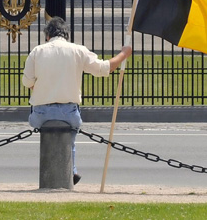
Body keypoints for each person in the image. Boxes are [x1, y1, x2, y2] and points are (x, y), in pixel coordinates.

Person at [22, 17, 132, 185]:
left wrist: (40, 88)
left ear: (47, 36)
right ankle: (70, 171)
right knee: (70, 134)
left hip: (40, 114)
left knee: (55, 129)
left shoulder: (37, 51)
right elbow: (104, 68)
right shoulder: (77, 50)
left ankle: (67, 172)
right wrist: (124, 54)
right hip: (69, 113)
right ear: (66, 35)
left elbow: (27, 82)